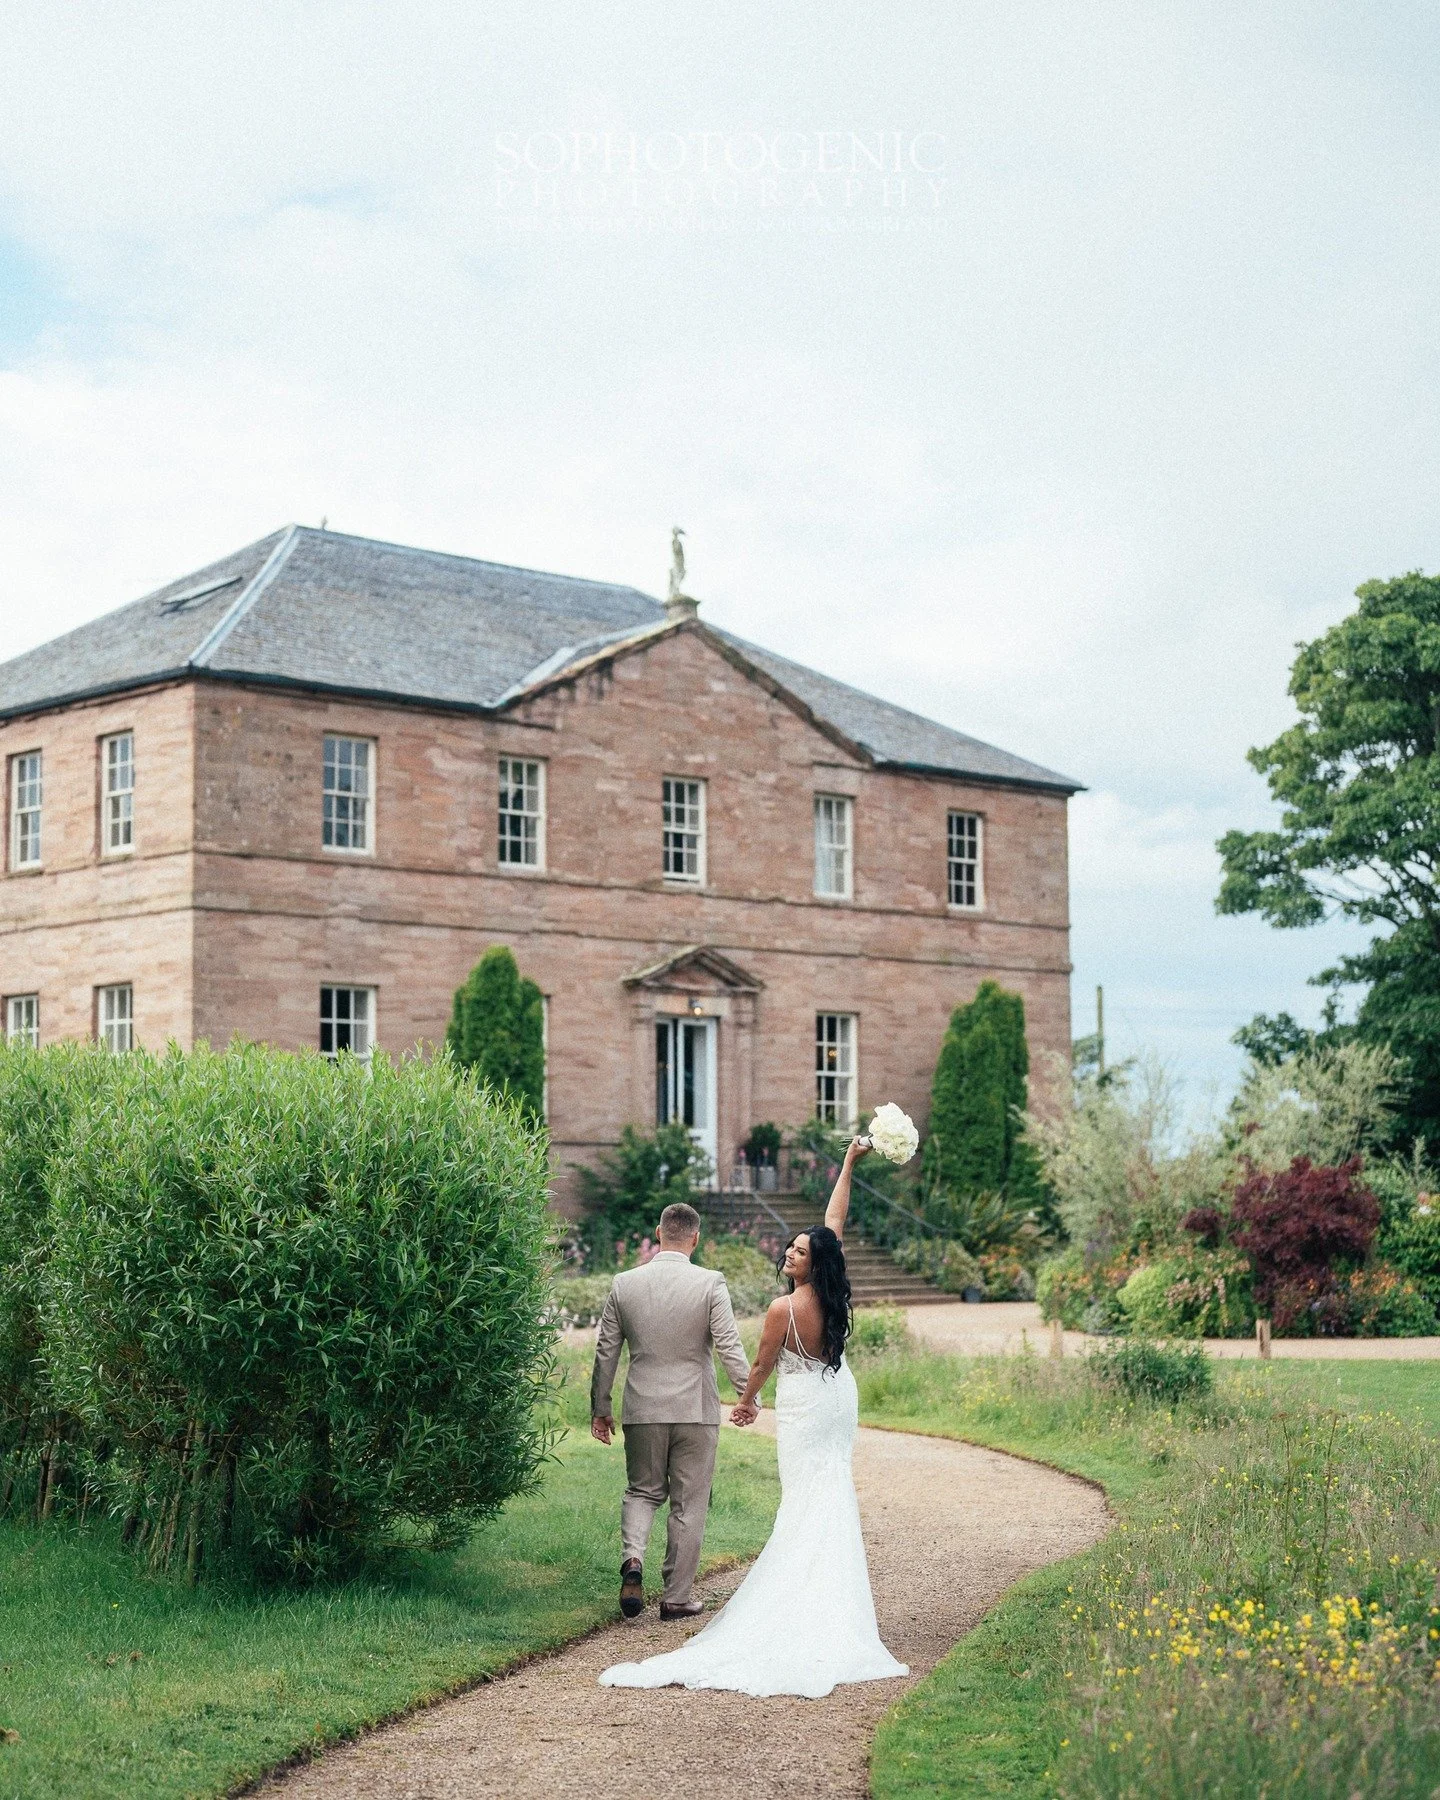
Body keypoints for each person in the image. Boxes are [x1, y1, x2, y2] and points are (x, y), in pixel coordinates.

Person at [599, 1137, 908, 1698]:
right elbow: (834, 1217)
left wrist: (745, 1402)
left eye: (798, 1251)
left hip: (806, 1407)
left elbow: (763, 1363)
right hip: (837, 1394)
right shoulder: (832, 1290)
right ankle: (833, 1600)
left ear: (814, 1261)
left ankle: (795, 1596)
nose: (790, 1253)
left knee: (805, 1494)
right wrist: (848, 1163)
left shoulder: (783, 1308)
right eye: (789, 1247)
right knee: (829, 1489)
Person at [590, 1200, 752, 1621]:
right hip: (695, 1408)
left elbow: (606, 1349)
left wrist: (600, 1407)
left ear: (658, 1234)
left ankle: (633, 1561)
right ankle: (676, 1597)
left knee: (642, 1491)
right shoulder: (711, 1282)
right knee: (688, 1502)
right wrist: (746, 1394)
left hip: (642, 1405)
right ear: (696, 1239)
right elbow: (728, 1344)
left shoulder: (624, 1283)